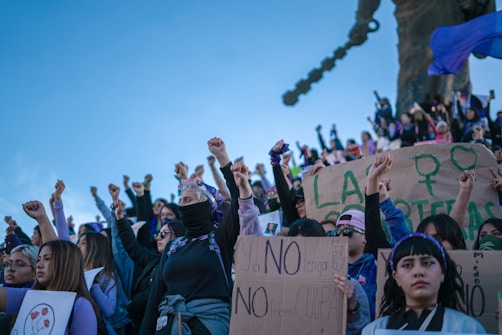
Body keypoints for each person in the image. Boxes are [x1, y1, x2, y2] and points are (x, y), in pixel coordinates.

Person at [140, 173, 239, 334]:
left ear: (206, 205)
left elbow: (240, 203)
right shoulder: (173, 246)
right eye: (180, 201)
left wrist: (223, 161)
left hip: (209, 326)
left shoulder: (220, 239)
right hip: (168, 326)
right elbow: (155, 297)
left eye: (188, 200)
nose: (182, 206)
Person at [3, 200, 99, 335]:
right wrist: (41, 218)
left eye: (47, 259)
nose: (39, 265)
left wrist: (43, 219)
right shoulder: (29, 296)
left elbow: (57, 249)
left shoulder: (80, 306)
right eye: (38, 259)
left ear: (66, 264)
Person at [362, 233, 486, 334]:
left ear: (442, 272)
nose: (418, 272)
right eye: (407, 265)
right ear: (396, 277)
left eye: (427, 263)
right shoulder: (374, 330)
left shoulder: (468, 329)